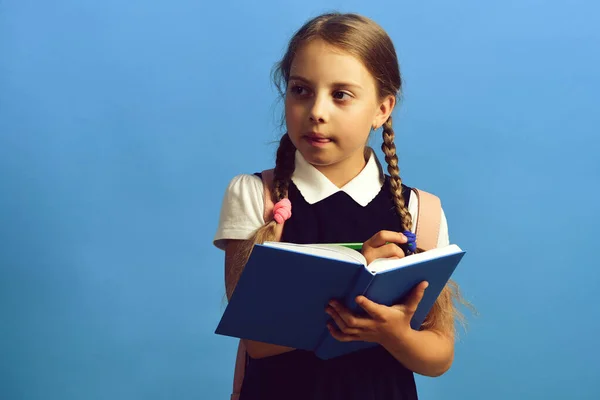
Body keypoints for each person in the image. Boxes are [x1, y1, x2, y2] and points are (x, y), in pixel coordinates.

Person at [213, 12, 467, 400]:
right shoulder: (256, 195)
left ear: (382, 110)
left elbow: (438, 357)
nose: (317, 111)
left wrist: (393, 332)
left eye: (341, 95)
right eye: (301, 90)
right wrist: (353, 282)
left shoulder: (419, 211)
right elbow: (257, 341)